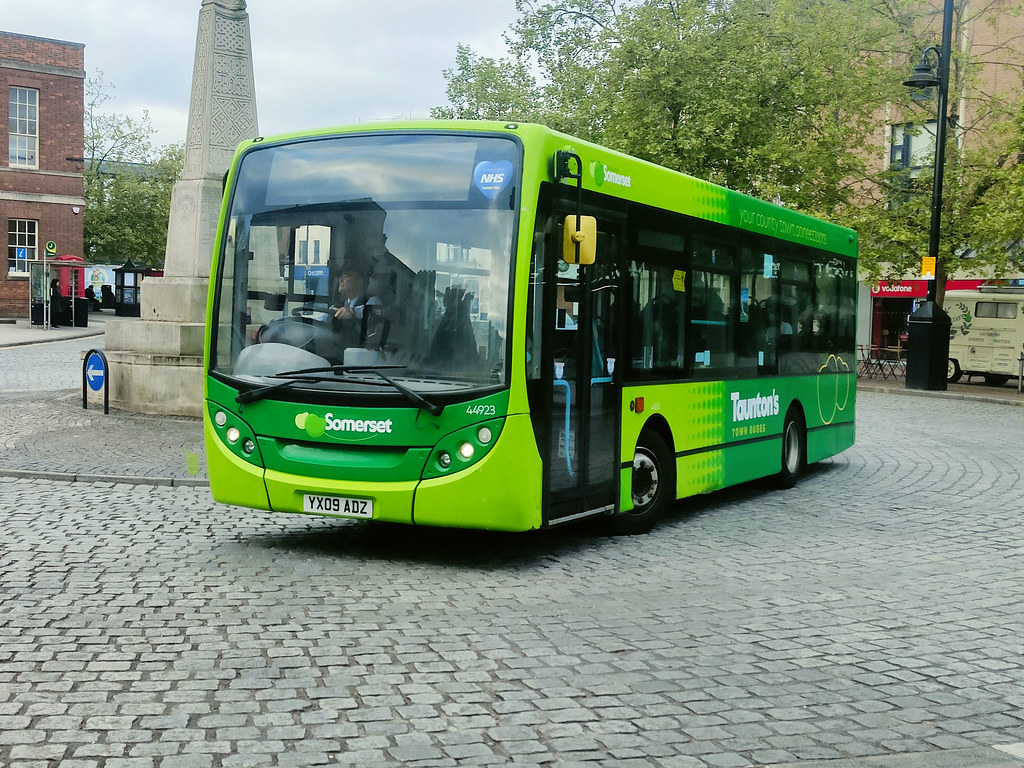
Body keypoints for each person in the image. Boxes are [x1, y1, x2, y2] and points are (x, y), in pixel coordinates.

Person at [329, 266, 383, 351]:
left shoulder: (372, 301)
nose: (340, 280)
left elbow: (370, 312)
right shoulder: (336, 306)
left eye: (346, 276)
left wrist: (353, 312)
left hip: (362, 354)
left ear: (359, 282)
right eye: (340, 277)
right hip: (337, 352)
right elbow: (320, 321)